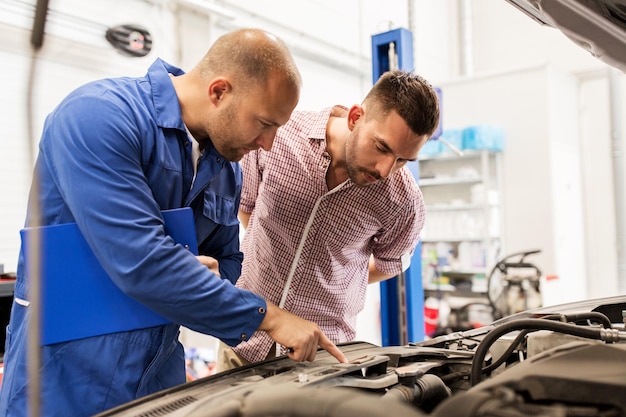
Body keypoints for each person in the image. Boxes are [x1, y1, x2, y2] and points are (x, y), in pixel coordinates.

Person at [0, 28, 347, 417]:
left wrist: (211, 275)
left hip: (157, 378)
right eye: (264, 123)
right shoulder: (98, 116)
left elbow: (230, 259)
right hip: (66, 378)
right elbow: (143, 262)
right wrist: (268, 315)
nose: (267, 144)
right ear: (219, 92)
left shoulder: (226, 169)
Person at [217, 70, 441, 370]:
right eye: (382, 148)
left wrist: (337, 276)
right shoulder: (280, 136)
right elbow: (246, 207)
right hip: (245, 334)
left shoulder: (403, 201)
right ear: (355, 118)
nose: (386, 170)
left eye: (403, 160)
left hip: (322, 356)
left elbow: (388, 264)